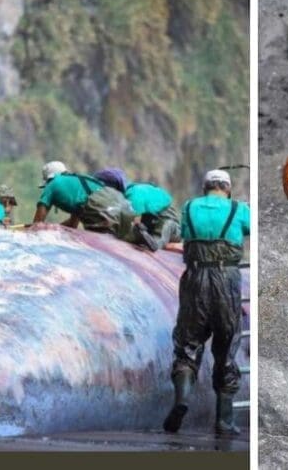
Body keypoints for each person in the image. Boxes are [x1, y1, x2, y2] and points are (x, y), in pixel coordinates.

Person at [163, 169, 250, 436]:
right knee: (226, 347)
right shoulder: (239, 208)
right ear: (227, 188)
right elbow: (247, 230)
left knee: (188, 344)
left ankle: (182, 399)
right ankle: (224, 421)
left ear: (205, 188)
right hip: (226, 281)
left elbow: (186, 234)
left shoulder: (189, 207)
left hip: (195, 279)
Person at [33, 161, 137, 241]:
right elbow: (72, 225)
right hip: (123, 206)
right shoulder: (80, 182)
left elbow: (37, 223)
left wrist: (36, 231)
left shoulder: (52, 184)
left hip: (103, 210)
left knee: (96, 229)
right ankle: (136, 232)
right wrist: (55, 227)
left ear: (49, 178)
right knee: (123, 234)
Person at [94, 168, 181, 251]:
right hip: (150, 225)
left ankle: (154, 243)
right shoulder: (126, 197)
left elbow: (133, 221)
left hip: (172, 228)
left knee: (163, 228)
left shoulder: (134, 194)